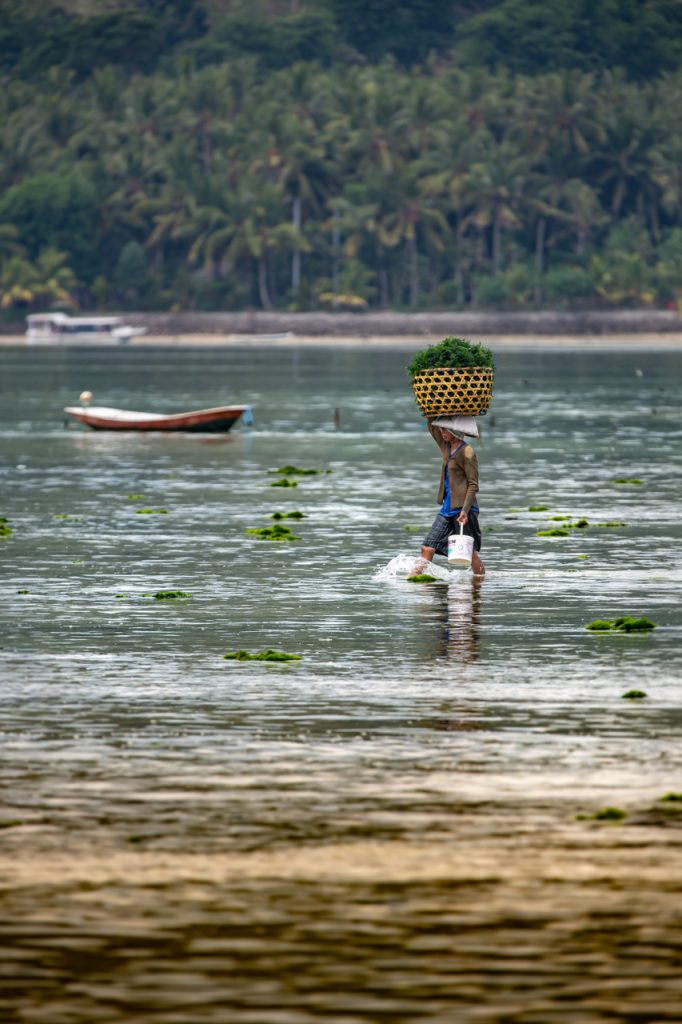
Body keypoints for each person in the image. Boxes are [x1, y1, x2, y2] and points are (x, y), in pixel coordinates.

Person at [415, 415, 485, 577]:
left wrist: (465, 511)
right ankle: (415, 580)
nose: (442, 432)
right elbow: (432, 427)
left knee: (469, 552)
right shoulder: (446, 447)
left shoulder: (467, 452)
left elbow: (473, 484)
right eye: (442, 429)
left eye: (445, 429)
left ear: (454, 432)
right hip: (447, 508)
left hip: (463, 509)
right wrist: (430, 412)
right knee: (427, 547)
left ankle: (480, 582)